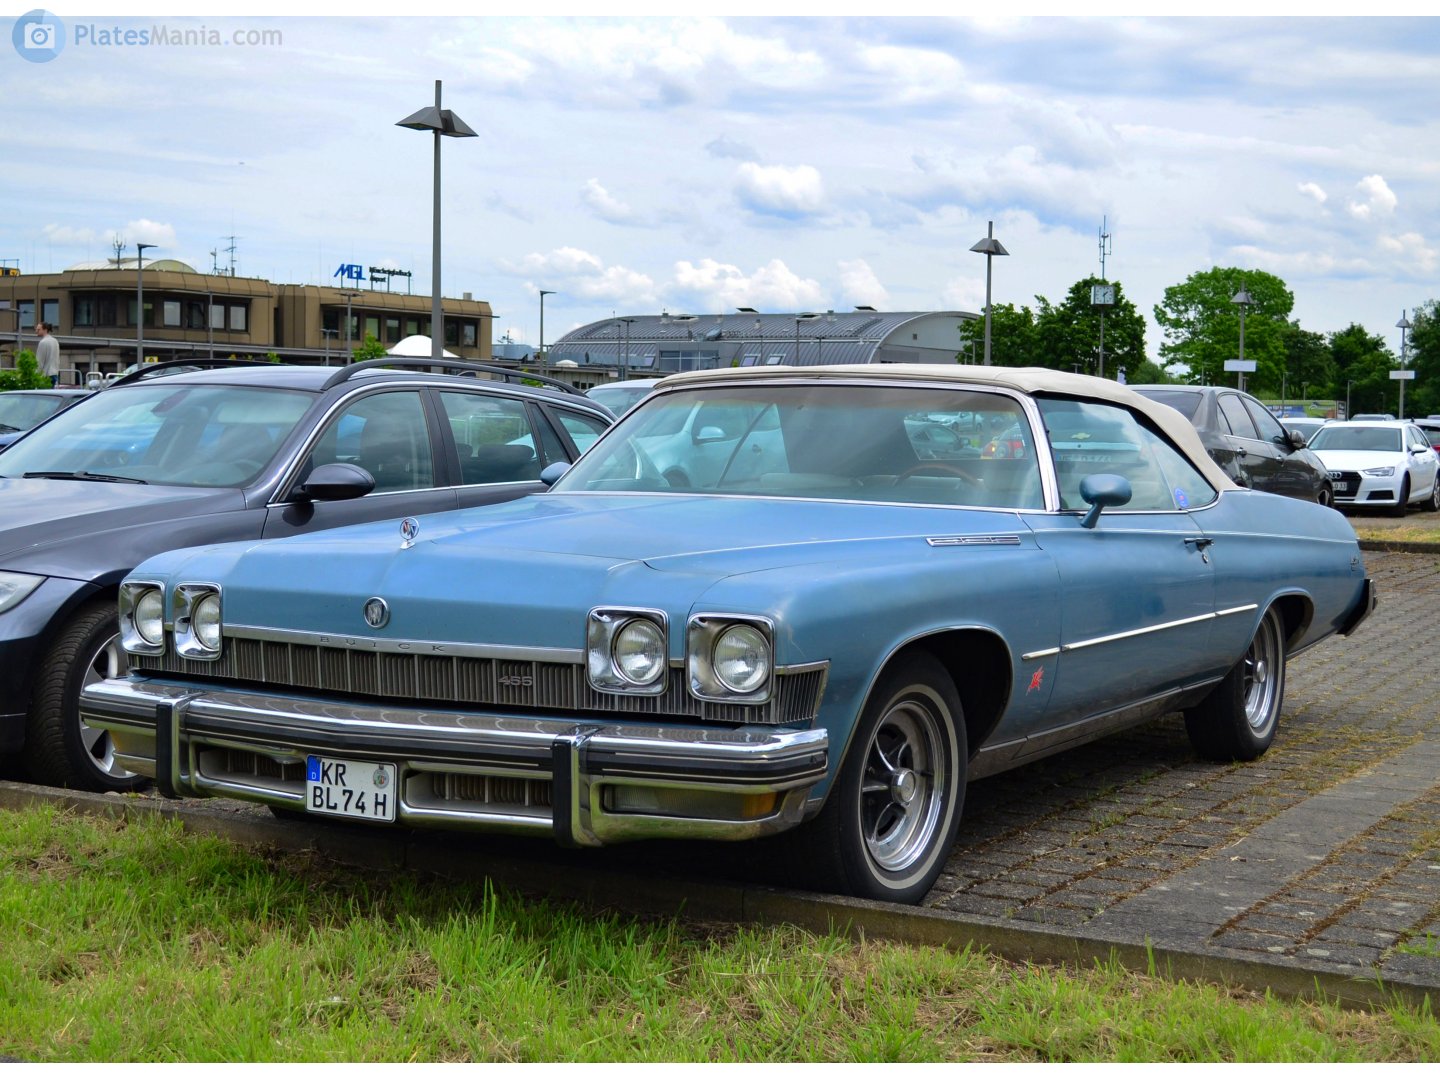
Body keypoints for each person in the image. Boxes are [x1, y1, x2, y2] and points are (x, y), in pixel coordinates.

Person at [34, 321, 60, 386]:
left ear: (45, 330)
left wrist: (36, 375)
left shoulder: (43, 342)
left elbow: (39, 361)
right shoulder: (55, 341)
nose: (36, 331)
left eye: (38, 329)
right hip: (54, 373)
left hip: (46, 375)